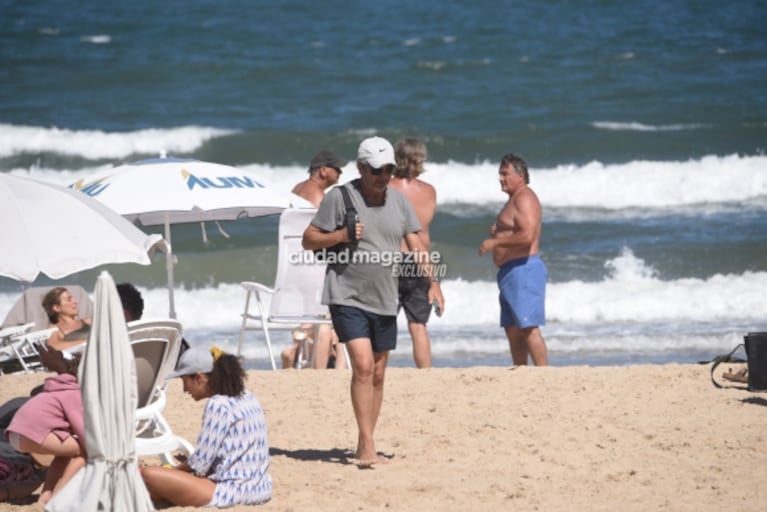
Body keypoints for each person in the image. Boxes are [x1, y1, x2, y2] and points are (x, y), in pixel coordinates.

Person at [302, 136, 445, 467]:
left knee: (379, 373)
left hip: (384, 296)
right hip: (345, 294)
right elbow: (309, 239)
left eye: (389, 170)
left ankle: (365, 439)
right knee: (364, 365)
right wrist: (340, 236)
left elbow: (417, 244)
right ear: (361, 168)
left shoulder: (399, 202)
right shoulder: (340, 197)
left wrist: (433, 282)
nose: (383, 176)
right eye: (377, 170)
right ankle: (367, 447)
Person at [141, 346, 272, 507]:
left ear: (199, 378)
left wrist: (174, 471)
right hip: (260, 487)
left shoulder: (217, 405)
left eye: (185, 381)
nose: (184, 390)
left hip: (232, 491)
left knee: (149, 474)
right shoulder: (247, 396)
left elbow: (199, 465)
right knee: (166, 479)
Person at [478, 153, 548, 366]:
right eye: (500, 173)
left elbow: (527, 236)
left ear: (521, 175)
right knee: (512, 328)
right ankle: (521, 371)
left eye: (505, 174)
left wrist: (495, 243)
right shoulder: (514, 200)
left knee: (527, 326)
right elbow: (515, 230)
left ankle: (544, 374)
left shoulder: (525, 197)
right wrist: (498, 233)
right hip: (510, 271)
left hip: (523, 268)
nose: (500, 178)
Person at [282, 149, 348, 370]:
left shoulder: (296, 190)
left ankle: (296, 345)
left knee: (310, 310)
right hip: (315, 264)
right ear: (323, 170)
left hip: (295, 264)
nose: (340, 173)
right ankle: (317, 371)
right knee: (324, 320)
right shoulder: (320, 197)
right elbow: (327, 233)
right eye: (337, 169)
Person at [4, 353, 85, 505]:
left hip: (15, 433)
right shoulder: (75, 394)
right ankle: (61, 495)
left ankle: (46, 496)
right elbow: (82, 429)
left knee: (64, 455)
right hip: (29, 434)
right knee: (84, 451)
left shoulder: (59, 388)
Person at [389, 138, 438, 368]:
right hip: (421, 261)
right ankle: (426, 374)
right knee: (418, 326)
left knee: (383, 322)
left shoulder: (386, 189)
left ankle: (378, 369)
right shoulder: (429, 192)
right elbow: (423, 231)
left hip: (391, 260)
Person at [43, 287, 92, 352]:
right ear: (57, 308)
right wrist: (87, 342)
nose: (75, 301)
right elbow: (52, 346)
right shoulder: (55, 328)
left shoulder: (88, 321)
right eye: (69, 299)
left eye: (73, 298)